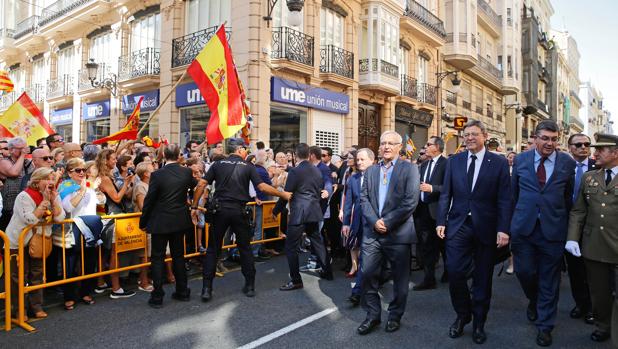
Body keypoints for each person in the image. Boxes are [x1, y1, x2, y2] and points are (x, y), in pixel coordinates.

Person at [436, 120, 511, 344]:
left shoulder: (498, 163)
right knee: (455, 272)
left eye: (474, 134)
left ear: (484, 136)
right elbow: (445, 194)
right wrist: (441, 220)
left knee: (482, 278)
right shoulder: (455, 161)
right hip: (458, 225)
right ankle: (462, 314)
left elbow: (505, 199)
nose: (469, 138)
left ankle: (479, 323)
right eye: (466, 134)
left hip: (486, 227)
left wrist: (504, 229)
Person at [510, 120, 576, 347]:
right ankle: (534, 301)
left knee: (550, 280)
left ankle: (545, 326)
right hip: (524, 229)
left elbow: (567, 198)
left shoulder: (567, 163)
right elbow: (514, 194)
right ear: (535, 138)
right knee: (525, 272)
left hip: (553, 230)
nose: (550, 143)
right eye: (545, 138)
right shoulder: (521, 160)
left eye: (554, 139)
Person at [201, 138, 289, 302]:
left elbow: (201, 184)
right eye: (246, 149)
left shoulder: (217, 165)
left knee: (213, 249)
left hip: (219, 211)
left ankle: (207, 289)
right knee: (245, 248)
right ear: (239, 149)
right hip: (238, 211)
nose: (247, 152)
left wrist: (193, 207)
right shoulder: (248, 166)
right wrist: (283, 194)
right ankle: (250, 286)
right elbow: (262, 187)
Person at [357, 131, 420, 335]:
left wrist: (388, 221)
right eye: (383, 143)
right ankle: (373, 315)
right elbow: (364, 199)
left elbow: (410, 201)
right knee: (367, 274)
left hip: (398, 233)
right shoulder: (371, 171)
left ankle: (394, 315)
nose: (385, 147)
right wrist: (375, 222)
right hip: (373, 233)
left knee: (400, 280)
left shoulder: (410, 169)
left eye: (390, 143)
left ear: (399, 147)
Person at [566, 133, 618, 345]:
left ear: (615, 153)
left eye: (600, 150)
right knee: (599, 293)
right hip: (594, 246)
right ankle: (602, 325)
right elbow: (579, 211)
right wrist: (572, 238)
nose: (593, 153)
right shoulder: (590, 177)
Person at [139, 144, 203, 308]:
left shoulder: (158, 175)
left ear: (164, 155)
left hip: (160, 220)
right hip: (179, 220)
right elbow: (199, 185)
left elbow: (149, 200)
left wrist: (143, 222)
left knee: (158, 258)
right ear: (179, 155)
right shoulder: (186, 172)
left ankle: (158, 296)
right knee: (178, 256)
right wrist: (193, 203)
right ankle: (182, 291)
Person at [8, 167, 65, 320]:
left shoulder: (53, 194)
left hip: (39, 240)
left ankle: (36, 307)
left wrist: (53, 200)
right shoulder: (24, 196)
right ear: (37, 181)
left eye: (53, 178)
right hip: (18, 241)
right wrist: (45, 201)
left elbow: (60, 219)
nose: (51, 182)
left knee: (37, 274)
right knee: (18, 276)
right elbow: (30, 220)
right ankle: (19, 310)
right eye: (48, 178)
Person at [274, 143, 332, 291]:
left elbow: (287, 194)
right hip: (314, 211)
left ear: (295, 155)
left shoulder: (295, 171)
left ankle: (296, 280)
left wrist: (276, 211)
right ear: (309, 155)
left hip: (299, 212)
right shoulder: (317, 170)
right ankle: (327, 271)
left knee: (290, 247)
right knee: (318, 242)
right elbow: (318, 191)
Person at [94, 149, 136, 299]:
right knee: (113, 253)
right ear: (105, 161)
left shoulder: (106, 176)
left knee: (105, 252)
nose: (115, 161)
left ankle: (101, 283)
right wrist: (126, 183)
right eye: (113, 159)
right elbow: (117, 198)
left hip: (108, 216)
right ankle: (116, 288)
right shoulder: (104, 178)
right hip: (112, 217)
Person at [564, 133, 596, 324]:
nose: (583, 147)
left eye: (586, 144)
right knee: (575, 270)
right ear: (570, 147)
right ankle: (581, 304)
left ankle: (593, 307)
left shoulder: (597, 167)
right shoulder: (563, 168)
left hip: (593, 226)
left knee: (592, 270)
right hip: (569, 226)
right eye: (578, 145)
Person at [59, 158, 99, 308]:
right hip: (73, 228)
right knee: (70, 264)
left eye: (83, 170)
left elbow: (97, 204)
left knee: (89, 261)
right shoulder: (65, 187)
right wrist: (81, 191)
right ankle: (69, 296)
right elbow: (68, 207)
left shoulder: (88, 185)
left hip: (90, 227)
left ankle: (86, 292)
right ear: (69, 173)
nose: (82, 173)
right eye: (78, 170)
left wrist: (95, 191)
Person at [413, 136, 448, 290]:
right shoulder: (424, 164)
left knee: (444, 246)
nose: (425, 147)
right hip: (422, 210)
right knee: (425, 246)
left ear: (437, 147)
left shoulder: (447, 164)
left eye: (428, 144)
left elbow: (449, 188)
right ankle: (429, 278)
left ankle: (449, 272)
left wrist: (432, 188)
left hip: (439, 211)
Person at [342, 148, 373, 307]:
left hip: (376, 224)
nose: (359, 162)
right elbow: (349, 203)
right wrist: (346, 222)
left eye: (362, 159)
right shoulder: (352, 179)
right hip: (358, 223)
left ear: (371, 160)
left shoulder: (379, 176)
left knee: (370, 259)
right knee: (363, 257)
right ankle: (357, 292)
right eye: (358, 160)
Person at [0, 137, 34, 231]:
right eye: (20, 148)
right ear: (11, 150)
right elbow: (14, 172)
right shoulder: (4, 162)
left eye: (25, 148)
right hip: (10, 208)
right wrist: (23, 155)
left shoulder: (28, 163)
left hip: (26, 206)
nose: (24, 150)